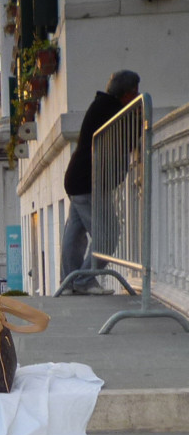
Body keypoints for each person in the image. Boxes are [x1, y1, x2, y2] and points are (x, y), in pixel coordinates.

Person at [60, 70, 141, 295]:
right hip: (89, 182)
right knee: (108, 234)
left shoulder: (101, 105)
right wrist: (138, 116)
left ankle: (69, 283)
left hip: (79, 179)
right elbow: (129, 136)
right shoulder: (112, 110)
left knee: (75, 233)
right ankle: (84, 281)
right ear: (128, 93)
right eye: (135, 92)